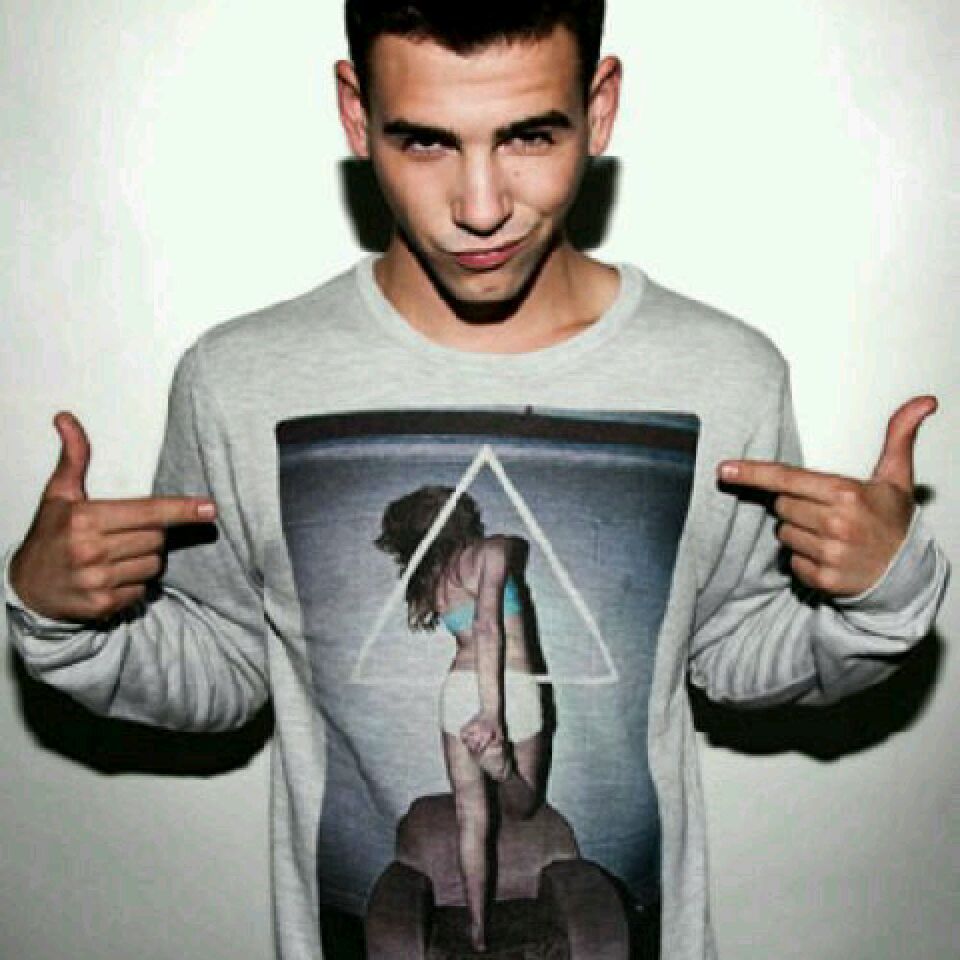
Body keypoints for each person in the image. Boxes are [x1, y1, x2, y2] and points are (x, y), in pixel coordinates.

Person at [4, 2, 949, 958]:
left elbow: (736, 655)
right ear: (356, 113)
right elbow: (225, 668)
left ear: (600, 108)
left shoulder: (721, 372)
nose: (482, 205)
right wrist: (61, 622)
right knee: (500, 806)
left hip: (491, 728)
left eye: (529, 136)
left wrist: (882, 596)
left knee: (492, 811)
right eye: (426, 141)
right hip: (478, 726)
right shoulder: (239, 379)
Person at [374, 485, 550, 952]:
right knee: (523, 804)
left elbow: (474, 631)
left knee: (470, 816)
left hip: (457, 690)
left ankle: (477, 930)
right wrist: (492, 714)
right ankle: (503, 769)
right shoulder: (493, 550)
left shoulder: (433, 582)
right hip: (510, 686)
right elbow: (487, 626)